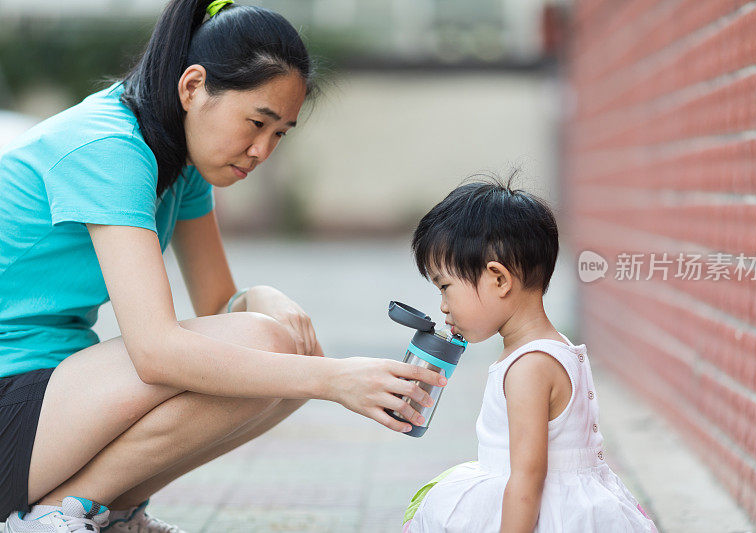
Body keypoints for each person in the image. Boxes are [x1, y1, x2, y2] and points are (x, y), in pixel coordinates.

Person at [0, 1, 445, 532]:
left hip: (44, 394)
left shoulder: (178, 156)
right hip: (13, 394)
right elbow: (156, 354)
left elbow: (219, 311)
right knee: (281, 355)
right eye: (256, 122)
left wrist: (262, 296)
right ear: (192, 87)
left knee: (285, 348)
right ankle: (56, 514)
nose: (261, 150)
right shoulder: (110, 148)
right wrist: (335, 380)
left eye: (280, 133)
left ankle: (102, 510)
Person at [401, 179, 659, 532]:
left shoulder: (529, 367)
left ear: (499, 279)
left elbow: (527, 478)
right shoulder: (551, 348)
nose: (443, 307)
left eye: (445, 287)